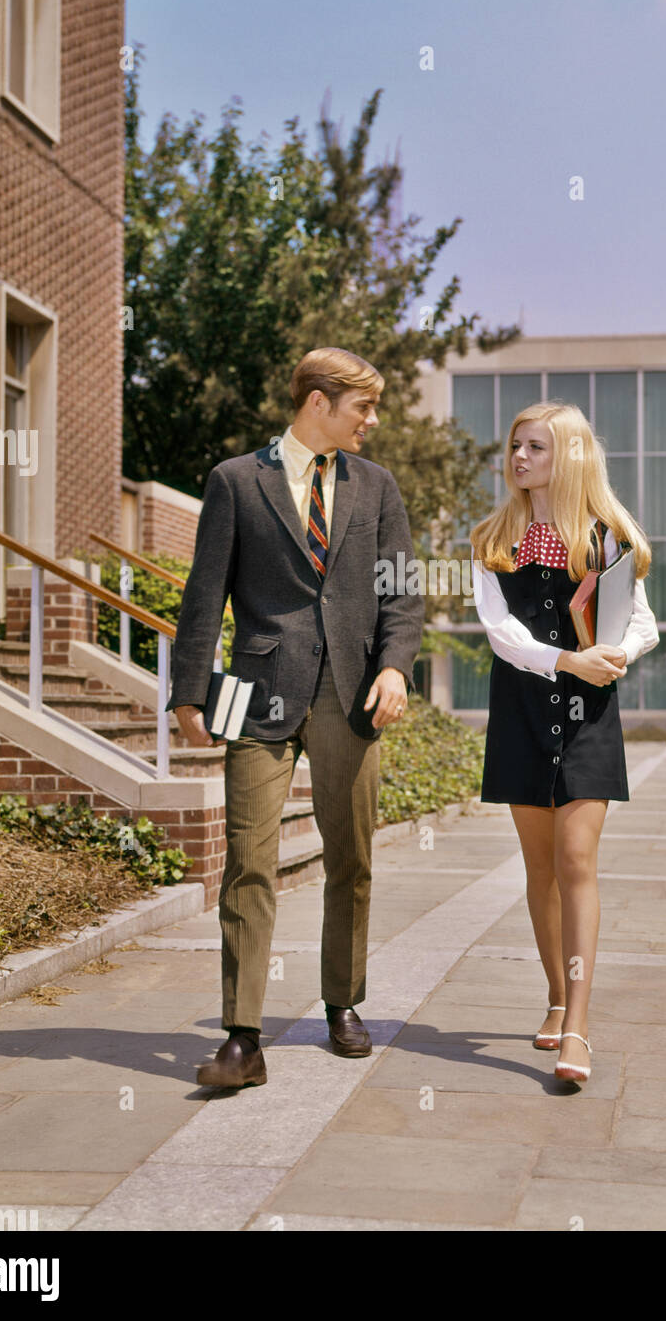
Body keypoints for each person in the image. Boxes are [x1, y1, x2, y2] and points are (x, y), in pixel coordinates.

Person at [167, 347, 424, 1088]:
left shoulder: (377, 487)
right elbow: (203, 592)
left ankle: (342, 1000)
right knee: (248, 860)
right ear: (318, 401)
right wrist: (189, 691)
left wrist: (394, 666)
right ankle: (242, 1038)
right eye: (362, 408)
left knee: (352, 858)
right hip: (256, 690)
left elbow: (401, 592)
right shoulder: (235, 482)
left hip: (352, 696)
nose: (371, 422)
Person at [470, 402, 659, 1085]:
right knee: (540, 868)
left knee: (576, 859)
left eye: (535, 448)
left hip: (587, 718)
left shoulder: (609, 537)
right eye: (516, 446)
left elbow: (644, 623)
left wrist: (619, 652)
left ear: (571, 456)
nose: (519, 458)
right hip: (521, 710)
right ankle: (553, 993)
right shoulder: (493, 537)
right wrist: (564, 661)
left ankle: (576, 1024)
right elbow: (499, 632)